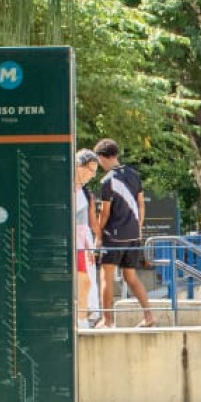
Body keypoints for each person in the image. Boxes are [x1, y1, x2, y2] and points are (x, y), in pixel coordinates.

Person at [92, 138, 158, 328]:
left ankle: (107, 320)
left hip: (113, 236)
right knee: (131, 276)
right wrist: (138, 227)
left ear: (103, 157)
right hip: (133, 235)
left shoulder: (107, 181)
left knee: (106, 276)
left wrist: (98, 236)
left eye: (98, 159)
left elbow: (105, 212)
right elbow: (141, 204)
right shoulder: (134, 175)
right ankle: (149, 316)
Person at [73, 148, 101, 327]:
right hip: (74, 241)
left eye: (94, 172)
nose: (92, 175)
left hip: (81, 242)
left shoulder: (83, 191)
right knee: (83, 281)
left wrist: (89, 245)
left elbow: (86, 222)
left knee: (85, 282)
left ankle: (82, 320)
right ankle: (81, 320)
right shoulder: (68, 189)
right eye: (90, 170)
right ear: (78, 166)